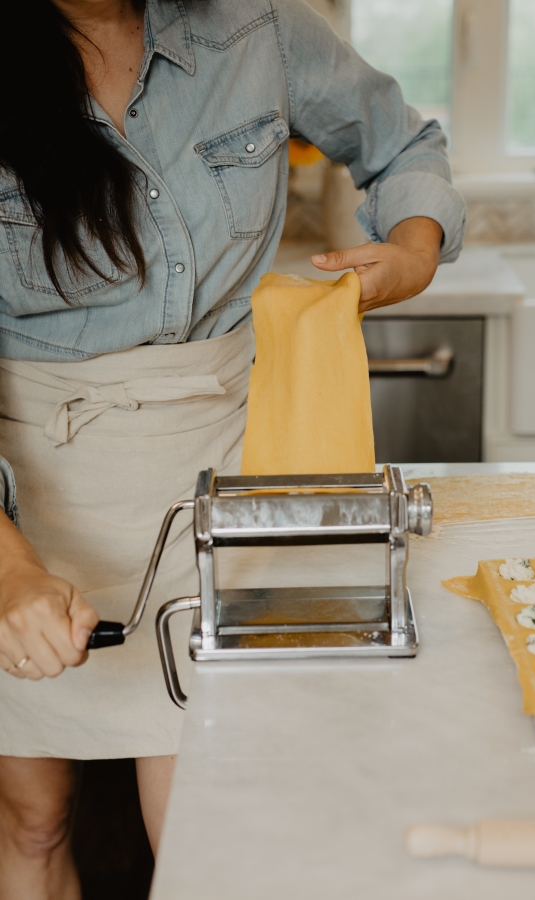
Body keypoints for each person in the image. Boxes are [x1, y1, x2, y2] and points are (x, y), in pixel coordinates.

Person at [0, 0, 466, 895]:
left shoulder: (257, 29)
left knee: (207, 826)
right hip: (32, 498)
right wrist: (10, 567)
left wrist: (410, 255)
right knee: (33, 820)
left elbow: (406, 145)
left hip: (219, 482)